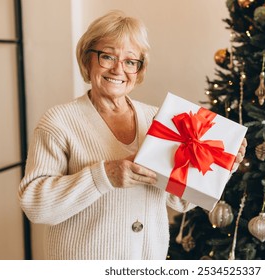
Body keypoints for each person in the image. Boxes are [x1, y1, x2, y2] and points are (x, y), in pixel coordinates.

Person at [19, 10, 247, 260]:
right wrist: (104, 176)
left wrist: (221, 165)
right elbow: (36, 206)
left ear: (139, 70)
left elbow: (179, 201)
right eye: (107, 56)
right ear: (87, 60)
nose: (118, 69)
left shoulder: (158, 120)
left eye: (130, 61)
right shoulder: (58, 122)